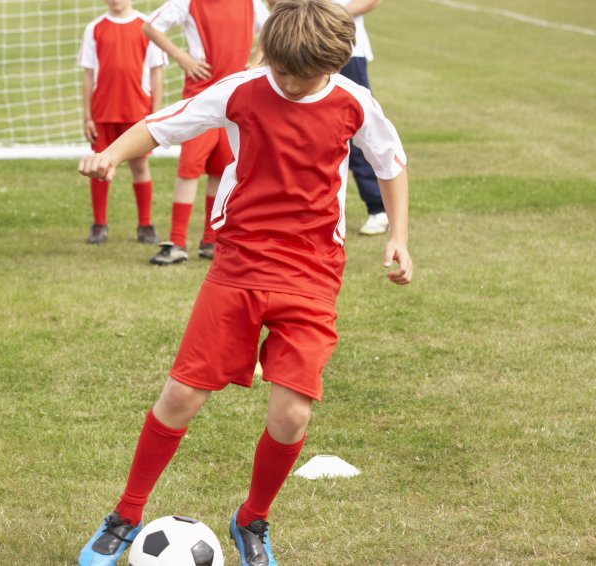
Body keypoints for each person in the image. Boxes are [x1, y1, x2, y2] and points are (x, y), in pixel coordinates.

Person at [75, 1, 412, 564]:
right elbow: (161, 126)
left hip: (312, 269)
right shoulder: (241, 90)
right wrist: (110, 154)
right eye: (280, 72)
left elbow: (391, 161)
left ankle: (252, 520)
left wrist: (398, 235)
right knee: (182, 393)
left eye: (301, 79)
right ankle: (126, 515)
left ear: (334, 67)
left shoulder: (355, 102)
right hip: (240, 261)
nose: (287, 84)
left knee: (292, 414)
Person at [141, 0, 268, 264]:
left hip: (235, 95)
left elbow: (272, 29)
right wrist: (182, 57)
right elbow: (150, 26)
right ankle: (176, 242)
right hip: (201, 95)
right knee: (190, 168)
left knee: (221, 169)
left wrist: (256, 62)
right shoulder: (187, 2)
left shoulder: (252, 3)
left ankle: (211, 240)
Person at [78, 0, 167, 245]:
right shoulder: (94, 29)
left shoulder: (146, 26)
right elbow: (88, 75)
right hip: (103, 113)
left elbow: (156, 73)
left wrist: (155, 115)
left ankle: (145, 225)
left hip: (136, 114)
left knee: (140, 168)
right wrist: (87, 116)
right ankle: (99, 225)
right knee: (99, 168)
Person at [334, 0, 389, 235]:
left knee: (357, 128)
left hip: (347, 51)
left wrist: (330, 16)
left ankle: (378, 207)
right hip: (305, 46)